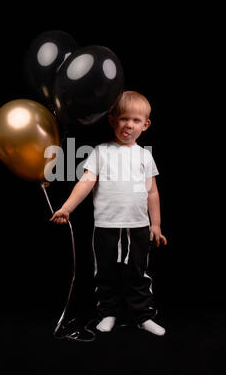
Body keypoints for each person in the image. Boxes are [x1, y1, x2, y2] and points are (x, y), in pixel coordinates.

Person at [50, 91, 167, 336]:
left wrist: (155, 225)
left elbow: (152, 192)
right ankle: (108, 312)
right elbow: (86, 182)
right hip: (106, 225)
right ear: (113, 120)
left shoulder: (145, 156)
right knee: (105, 272)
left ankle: (143, 315)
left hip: (138, 225)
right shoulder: (101, 152)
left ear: (145, 125)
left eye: (136, 121)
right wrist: (67, 208)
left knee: (138, 272)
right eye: (123, 118)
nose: (129, 125)